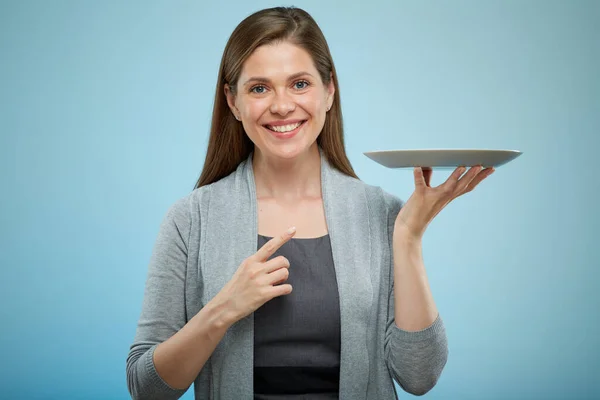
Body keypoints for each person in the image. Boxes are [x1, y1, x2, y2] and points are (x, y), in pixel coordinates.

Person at [126, 6, 494, 400]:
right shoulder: (190, 219)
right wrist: (222, 310)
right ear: (232, 102)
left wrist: (408, 236)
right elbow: (146, 388)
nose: (282, 105)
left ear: (329, 91)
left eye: (300, 84)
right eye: (259, 88)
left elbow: (418, 377)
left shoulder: (383, 214)